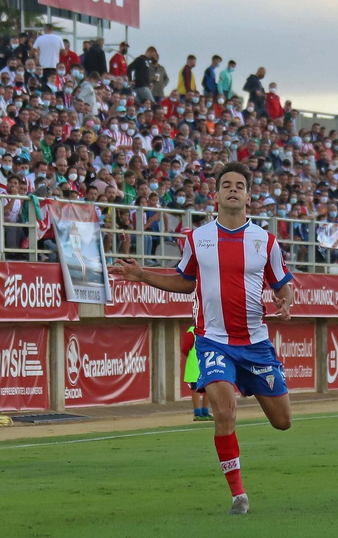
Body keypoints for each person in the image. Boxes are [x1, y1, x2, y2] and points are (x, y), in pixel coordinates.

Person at [117, 162, 296, 516]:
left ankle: (250, 382)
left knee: (283, 421)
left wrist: (285, 302)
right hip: (212, 340)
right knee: (225, 413)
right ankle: (238, 496)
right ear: (215, 195)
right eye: (226, 184)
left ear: (248, 195)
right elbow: (186, 282)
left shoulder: (266, 241)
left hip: (255, 343)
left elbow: (282, 285)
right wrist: (143, 275)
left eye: (239, 185)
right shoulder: (198, 238)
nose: (233, 189)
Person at [183, 325, 210, 423]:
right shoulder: (192, 330)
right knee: (196, 389)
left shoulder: (208, 329)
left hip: (205, 364)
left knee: (208, 389)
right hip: (197, 365)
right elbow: (186, 347)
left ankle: (205, 411)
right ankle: (198, 413)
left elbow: (185, 349)